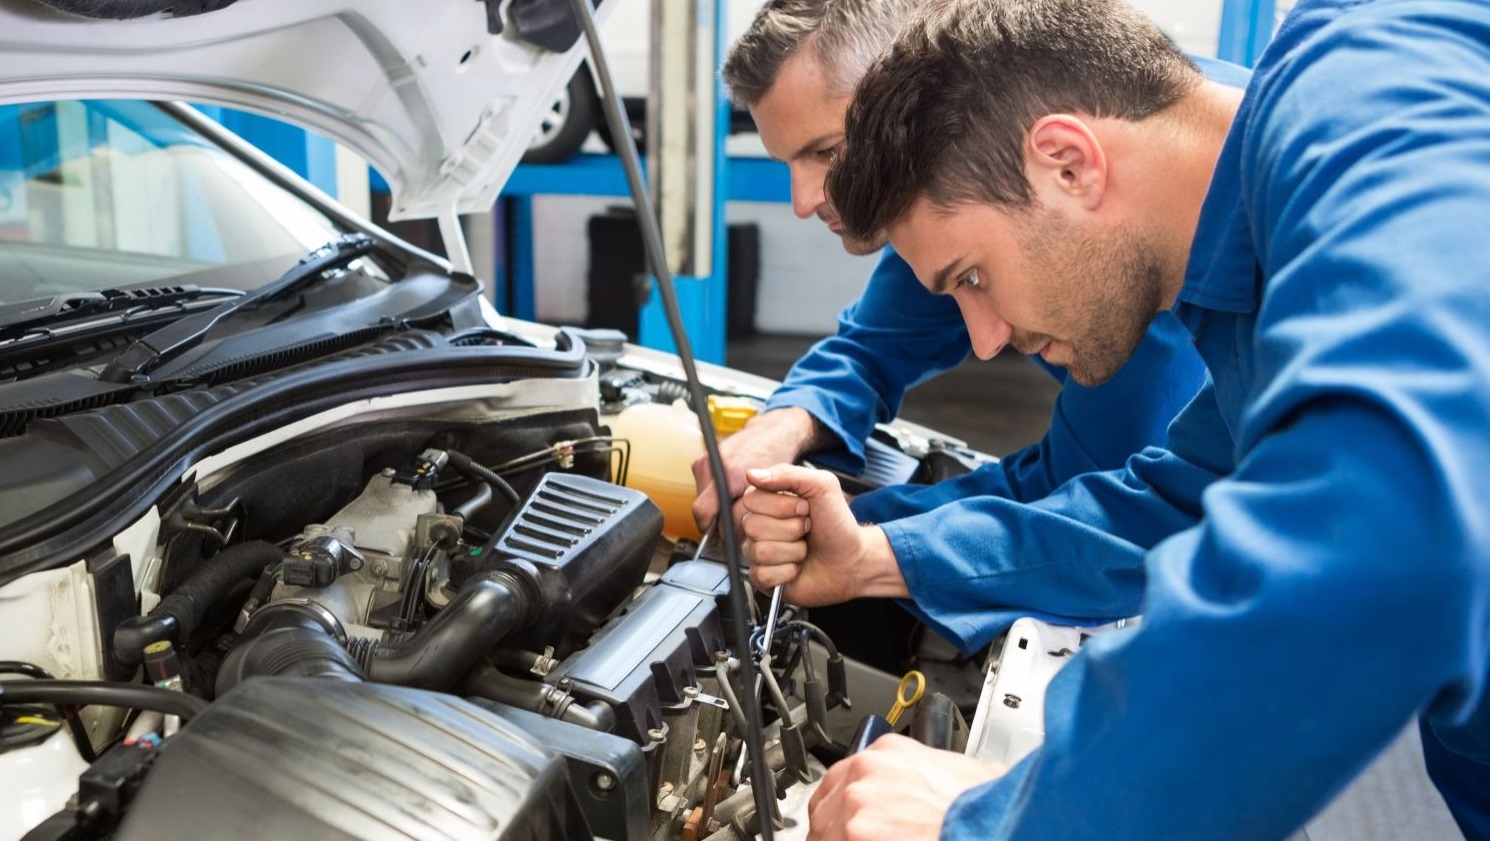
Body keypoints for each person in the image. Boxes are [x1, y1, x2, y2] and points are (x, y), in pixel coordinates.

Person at [738, 0, 1490, 838]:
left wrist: (1001, 820)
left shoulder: (1370, 97)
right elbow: (1168, 506)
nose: (982, 342)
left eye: (972, 278)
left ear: (1068, 163)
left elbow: (1389, 529)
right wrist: (878, 555)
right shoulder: (1242, 290)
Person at [692, 0, 1247, 582]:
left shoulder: (1130, 234)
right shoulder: (993, 195)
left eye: (825, 151)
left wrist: (860, 532)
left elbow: (1108, 501)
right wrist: (786, 424)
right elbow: (875, 345)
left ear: (925, 89)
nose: (803, 202)